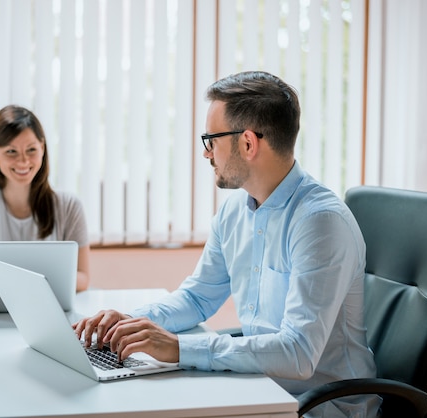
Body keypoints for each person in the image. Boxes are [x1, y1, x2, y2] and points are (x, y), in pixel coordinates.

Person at [74, 71, 379, 417]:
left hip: (321, 406)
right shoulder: (235, 210)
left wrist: (178, 348)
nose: (206, 154)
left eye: (211, 140)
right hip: (259, 387)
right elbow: (197, 296)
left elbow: (298, 352)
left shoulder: (320, 223)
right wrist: (129, 323)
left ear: (248, 143)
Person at [0, 104, 90, 292]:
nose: (23, 161)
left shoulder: (69, 206)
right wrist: (34, 281)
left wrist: (20, 284)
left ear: (42, 147)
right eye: (11, 151)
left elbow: (83, 277)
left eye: (31, 150)